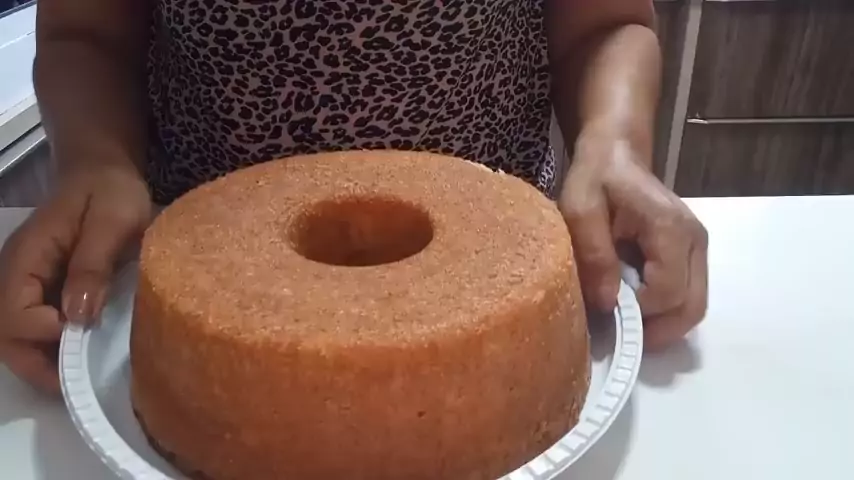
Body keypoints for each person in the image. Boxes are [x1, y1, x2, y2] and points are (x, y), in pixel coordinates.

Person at [0, 0, 708, 393]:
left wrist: (613, 145)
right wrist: (97, 161)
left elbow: (606, 23)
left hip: (507, 293)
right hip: (191, 297)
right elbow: (85, 33)